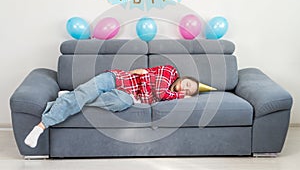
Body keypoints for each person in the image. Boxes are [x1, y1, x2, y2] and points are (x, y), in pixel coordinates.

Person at [24, 65, 199, 148]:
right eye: (188, 84)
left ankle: (68, 98)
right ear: (183, 78)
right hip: (116, 79)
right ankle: (41, 126)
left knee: (121, 102)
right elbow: (159, 92)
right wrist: (152, 93)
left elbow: (157, 92)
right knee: (86, 93)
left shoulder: (169, 97)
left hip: (126, 95)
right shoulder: (170, 71)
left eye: (189, 92)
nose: (186, 89)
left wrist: (148, 86)